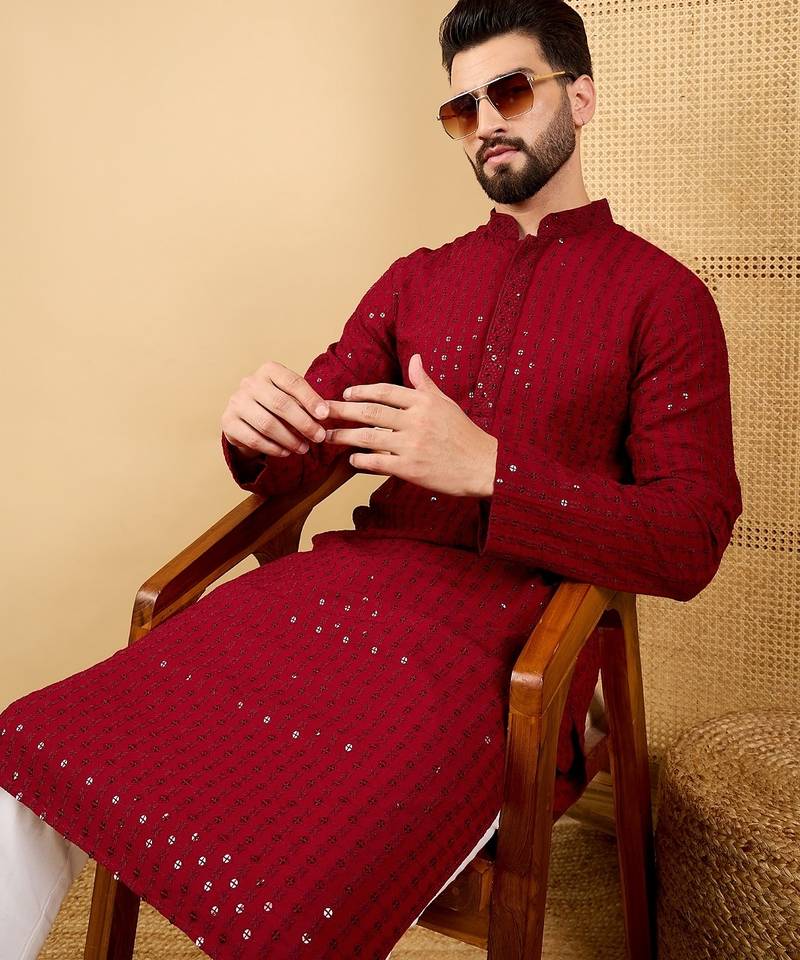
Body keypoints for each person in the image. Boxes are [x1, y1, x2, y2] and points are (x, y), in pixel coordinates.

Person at [0, 1, 743, 958]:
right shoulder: (415, 280)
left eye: (511, 92)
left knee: (294, 897)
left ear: (582, 98)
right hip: (335, 593)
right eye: (461, 109)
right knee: (32, 740)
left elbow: (689, 536)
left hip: (508, 632)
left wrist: (493, 471)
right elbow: (312, 438)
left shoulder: (665, 299)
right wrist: (260, 432)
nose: (485, 123)